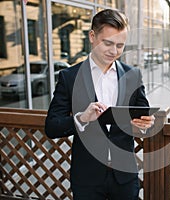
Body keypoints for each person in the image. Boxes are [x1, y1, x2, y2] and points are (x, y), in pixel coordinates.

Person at [45, 9, 155, 200]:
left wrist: (146, 123)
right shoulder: (69, 77)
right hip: (87, 177)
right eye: (108, 43)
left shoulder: (133, 75)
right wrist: (82, 118)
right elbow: (52, 127)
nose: (114, 51)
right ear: (92, 37)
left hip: (125, 176)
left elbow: (142, 114)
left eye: (120, 45)